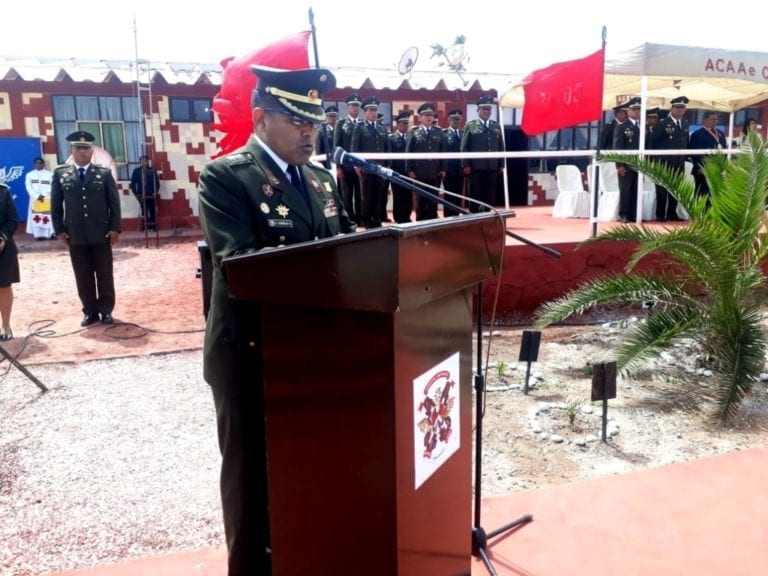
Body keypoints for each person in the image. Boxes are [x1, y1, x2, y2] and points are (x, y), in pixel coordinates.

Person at [197, 65, 356, 576]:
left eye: (315, 121)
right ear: (261, 118)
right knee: (251, 480)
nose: (310, 131)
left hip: (313, 352)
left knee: (309, 470)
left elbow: (352, 248)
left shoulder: (321, 179)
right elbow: (241, 264)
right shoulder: (227, 177)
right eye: (296, 120)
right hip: (250, 352)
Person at [51, 131, 121, 326]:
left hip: (102, 233)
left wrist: (115, 228)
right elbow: (55, 205)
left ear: (92, 151)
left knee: (104, 273)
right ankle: (90, 311)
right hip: (75, 235)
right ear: (71, 150)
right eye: (78, 148)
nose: (83, 152)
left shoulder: (104, 174)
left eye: (86, 148)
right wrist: (59, 231)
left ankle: (106, 310)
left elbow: (114, 204)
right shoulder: (60, 174)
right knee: (83, 274)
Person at [350, 95, 391, 228]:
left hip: (380, 168)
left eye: (375, 110)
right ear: (365, 112)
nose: (374, 113)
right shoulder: (360, 127)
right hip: (366, 168)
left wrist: (388, 165)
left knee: (379, 196)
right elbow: (355, 148)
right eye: (371, 110)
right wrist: (357, 165)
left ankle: (377, 219)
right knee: (366, 197)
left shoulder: (382, 127)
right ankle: (367, 221)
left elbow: (387, 149)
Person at [460, 94, 504, 212]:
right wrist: (466, 164)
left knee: (489, 194)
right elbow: (464, 147)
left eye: (488, 109)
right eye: (484, 109)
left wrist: (501, 164)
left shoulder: (496, 125)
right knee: (475, 194)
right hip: (475, 168)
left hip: (492, 167)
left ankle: (488, 217)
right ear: (478, 110)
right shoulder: (471, 125)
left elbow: (501, 146)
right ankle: (474, 218)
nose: (486, 111)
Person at [649, 96, 690, 221]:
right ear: (671, 108)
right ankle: (660, 215)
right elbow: (652, 143)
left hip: (679, 162)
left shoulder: (685, 123)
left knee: (676, 190)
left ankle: (672, 213)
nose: (679, 110)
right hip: (663, 163)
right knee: (662, 190)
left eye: (682, 108)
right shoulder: (662, 124)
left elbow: (685, 142)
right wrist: (653, 162)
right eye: (677, 107)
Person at [405, 102, 446, 220]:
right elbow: (409, 152)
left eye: (431, 115)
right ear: (420, 118)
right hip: (419, 172)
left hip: (435, 172)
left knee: (434, 199)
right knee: (420, 200)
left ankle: (432, 223)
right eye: (426, 115)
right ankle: (420, 223)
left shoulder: (438, 132)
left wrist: (443, 168)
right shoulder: (414, 132)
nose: (429, 117)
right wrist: (409, 170)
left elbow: (443, 152)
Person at [333, 92, 363, 224]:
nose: (356, 108)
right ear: (347, 107)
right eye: (353, 106)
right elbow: (336, 147)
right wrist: (338, 167)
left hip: (359, 167)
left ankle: (360, 218)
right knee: (347, 194)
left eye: (357, 106)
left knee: (360, 194)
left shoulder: (362, 124)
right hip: (345, 167)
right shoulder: (341, 124)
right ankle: (349, 219)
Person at [613, 97, 641, 223]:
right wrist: (619, 165)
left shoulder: (643, 127)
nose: (637, 112)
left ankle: (634, 213)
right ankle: (624, 213)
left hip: (640, 164)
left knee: (637, 188)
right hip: (626, 163)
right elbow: (617, 147)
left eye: (639, 109)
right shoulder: (622, 127)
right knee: (626, 189)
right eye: (634, 109)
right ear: (628, 111)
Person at [689, 111, 726, 198]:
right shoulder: (697, 134)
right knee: (702, 193)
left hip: (717, 169)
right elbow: (695, 154)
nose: (715, 121)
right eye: (712, 119)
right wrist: (701, 167)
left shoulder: (720, 134)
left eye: (716, 119)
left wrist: (723, 165)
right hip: (703, 170)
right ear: (705, 120)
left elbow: (724, 151)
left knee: (715, 193)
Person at [0, 181, 20, 340]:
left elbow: (13, 220)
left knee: (3, 286)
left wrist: (2, 238)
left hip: (3, 248)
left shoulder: (3, 192)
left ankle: (5, 325)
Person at [388, 110, 413, 223]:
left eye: (407, 123)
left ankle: (407, 216)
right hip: (396, 171)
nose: (405, 126)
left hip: (408, 172)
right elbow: (389, 155)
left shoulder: (410, 138)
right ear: (397, 125)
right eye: (403, 123)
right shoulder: (392, 138)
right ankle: (398, 217)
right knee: (398, 195)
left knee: (408, 196)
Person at [24, 157, 55, 240]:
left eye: (40, 163)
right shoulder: (29, 175)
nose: (39, 164)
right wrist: (37, 196)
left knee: (48, 217)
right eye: (37, 163)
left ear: (43, 164)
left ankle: (51, 234)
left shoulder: (50, 174)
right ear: (34, 164)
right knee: (37, 217)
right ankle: (39, 235)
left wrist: (44, 195)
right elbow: (28, 187)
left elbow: (52, 186)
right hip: (35, 199)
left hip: (47, 199)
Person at [442, 108, 464, 216]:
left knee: (459, 193)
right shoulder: (444, 134)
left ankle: (457, 214)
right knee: (449, 193)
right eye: (454, 119)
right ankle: (448, 215)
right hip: (449, 170)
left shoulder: (463, 133)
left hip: (460, 169)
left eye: (458, 119)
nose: (456, 121)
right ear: (449, 120)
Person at [129, 155, 160, 231]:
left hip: (151, 194)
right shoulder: (136, 171)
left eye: (145, 161)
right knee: (144, 211)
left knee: (152, 211)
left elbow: (157, 183)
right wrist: (136, 194)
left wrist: (155, 192)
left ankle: (154, 227)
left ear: (147, 162)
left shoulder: (152, 171)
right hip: (141, 195)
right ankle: (144, 228)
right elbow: (132, 184)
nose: (143, 163)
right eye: (142, 161)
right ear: (140, 162)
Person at [314, 104, 338, 169]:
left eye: (334, 116)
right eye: (330, 116)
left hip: (339, 164)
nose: (333, 118)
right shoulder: (322, 132)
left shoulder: (340, 130)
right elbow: (319, 150)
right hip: (327, 164)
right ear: (326, 117)